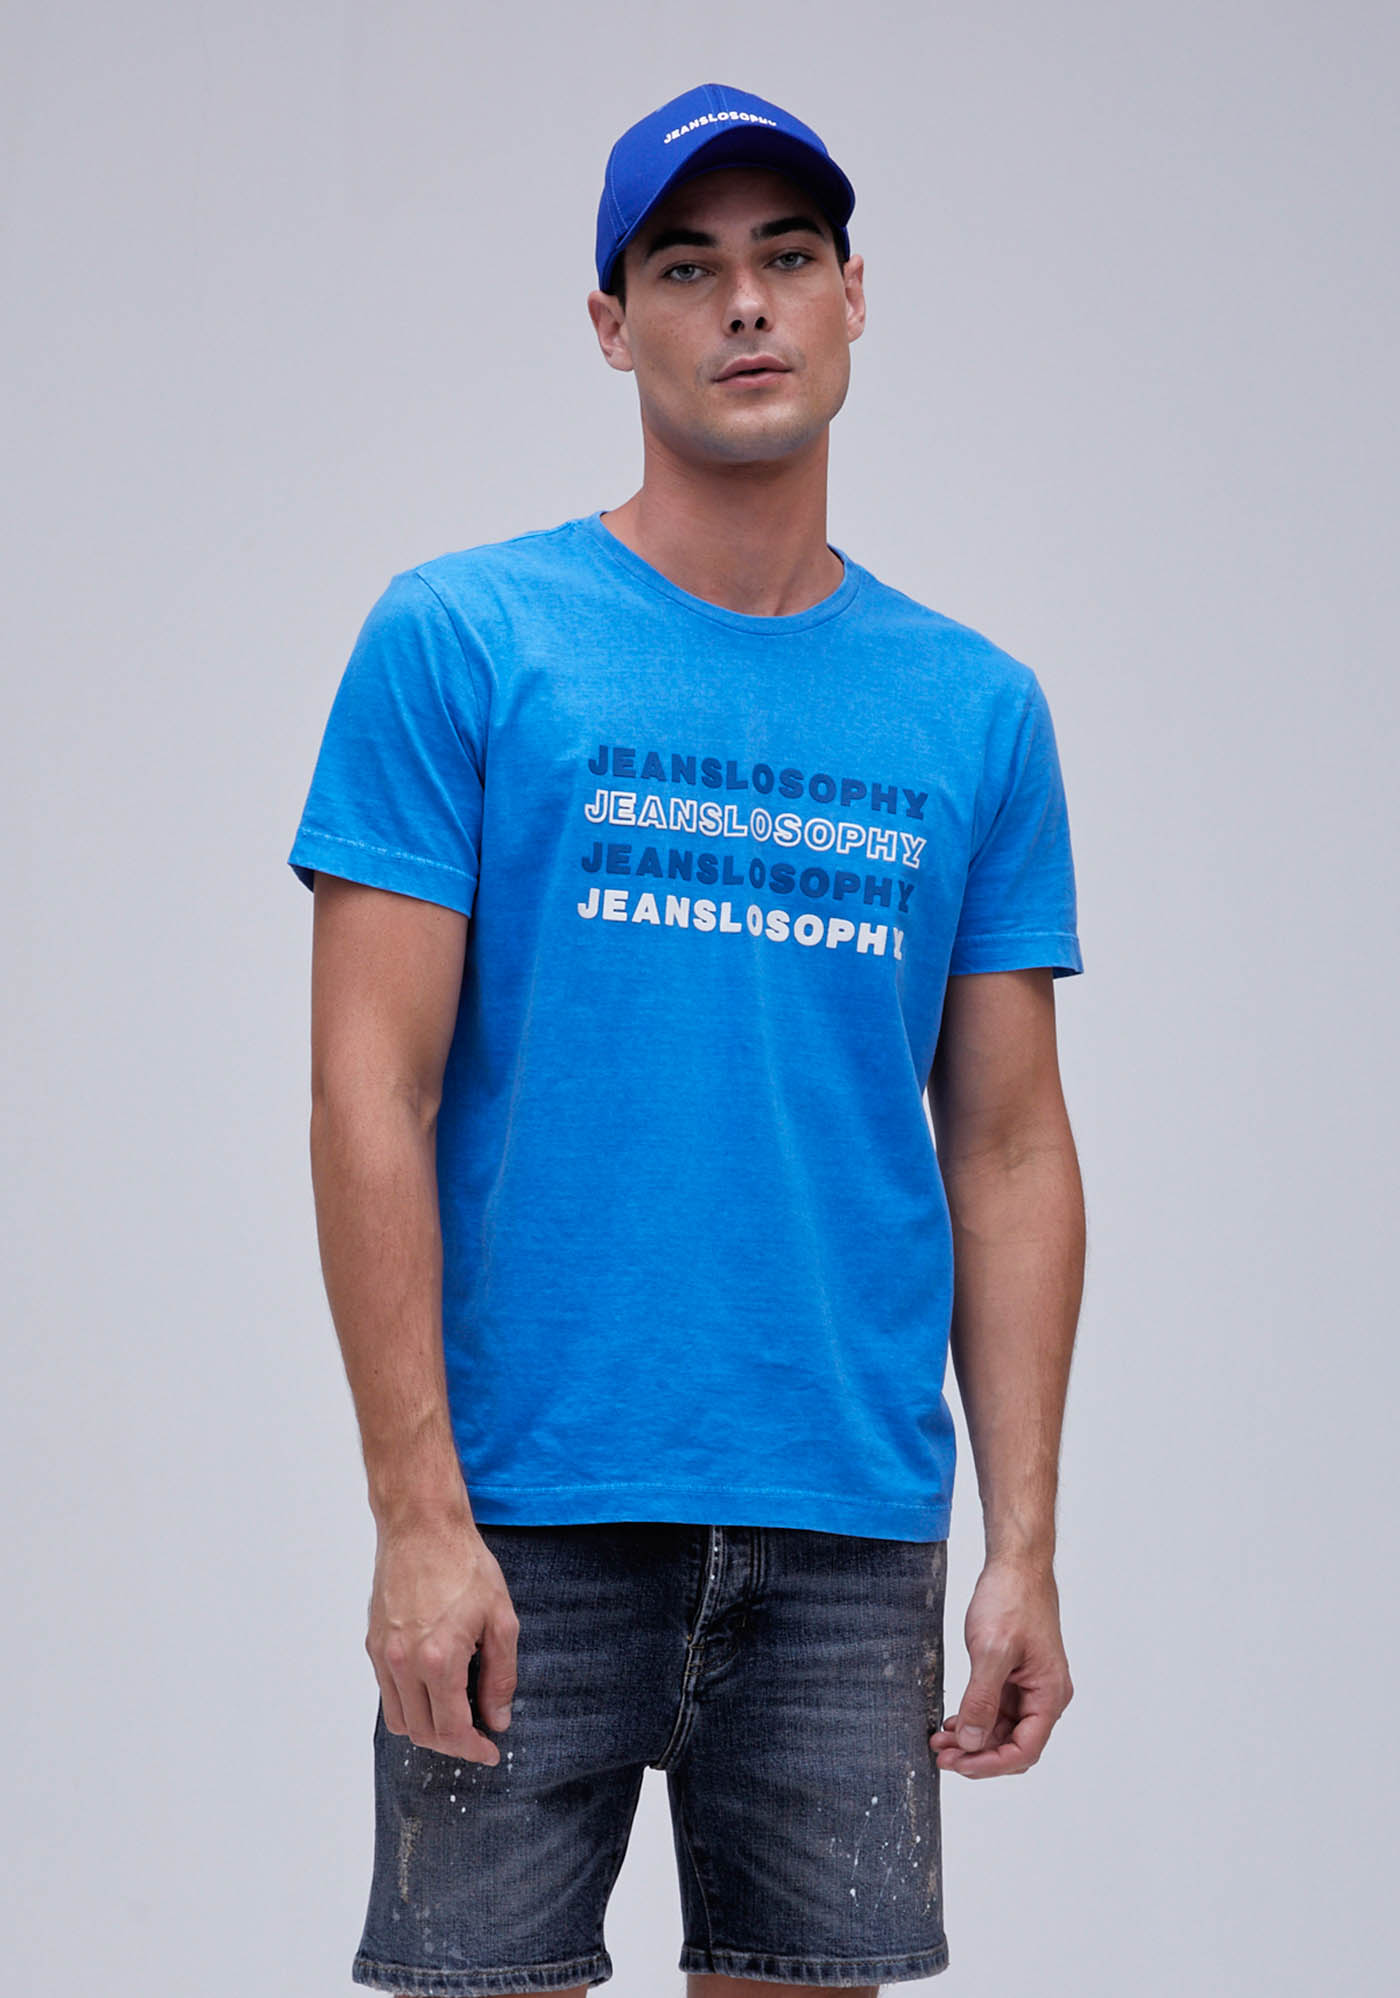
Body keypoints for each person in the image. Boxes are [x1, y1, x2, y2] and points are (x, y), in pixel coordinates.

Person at [287, 79, 1086, 1998]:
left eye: (787, 258)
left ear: (852, 298)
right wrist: (414, 1513)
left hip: (843, 1527)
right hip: (524, 1512)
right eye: (686, 266)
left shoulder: (976, 707)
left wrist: (1024, 1542)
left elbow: (1007, 1146)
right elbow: (369, 1088)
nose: (744, 303)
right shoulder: (465, 640)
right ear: (611, 321)